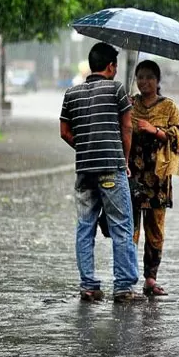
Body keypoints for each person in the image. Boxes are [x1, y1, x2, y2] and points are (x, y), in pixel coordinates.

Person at [59, 42, 142, 303]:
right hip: (111, 169)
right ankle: (123, 287)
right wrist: (124, 160)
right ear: (110, 66)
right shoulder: (117, 90)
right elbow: (127, 129)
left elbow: (64, 131)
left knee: (85, 227)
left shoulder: (71, 93)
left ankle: (88, 286)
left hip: (84, 171)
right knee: (121, 227)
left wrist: (84, 147)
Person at [129, 60, 179, 297]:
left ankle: (150, 279)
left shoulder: (168, 107)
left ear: (158, 81)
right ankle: (127, 278)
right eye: (140, 77)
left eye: (149, 77)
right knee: (130, 229)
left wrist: (153, 130)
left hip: (158, 179)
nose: (144, 82)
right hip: (133, 176)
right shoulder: (129, 103)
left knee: (155, 229)